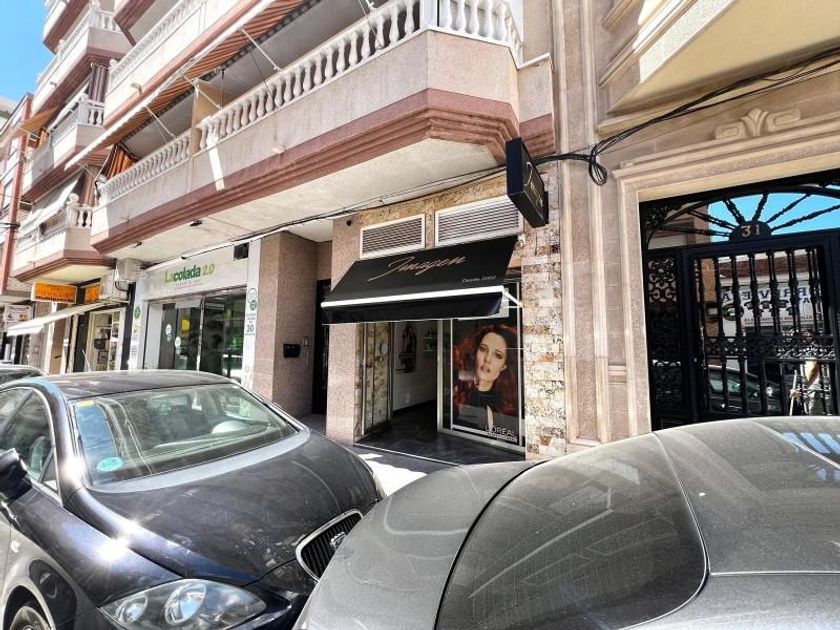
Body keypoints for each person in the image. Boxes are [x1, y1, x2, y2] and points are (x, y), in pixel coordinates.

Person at [453, 324, 519, 442]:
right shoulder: (457, 392)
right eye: (483, 349)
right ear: (475, 353)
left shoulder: (504, 406)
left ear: (504, 366)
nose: (487, 359)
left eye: (497, 355)